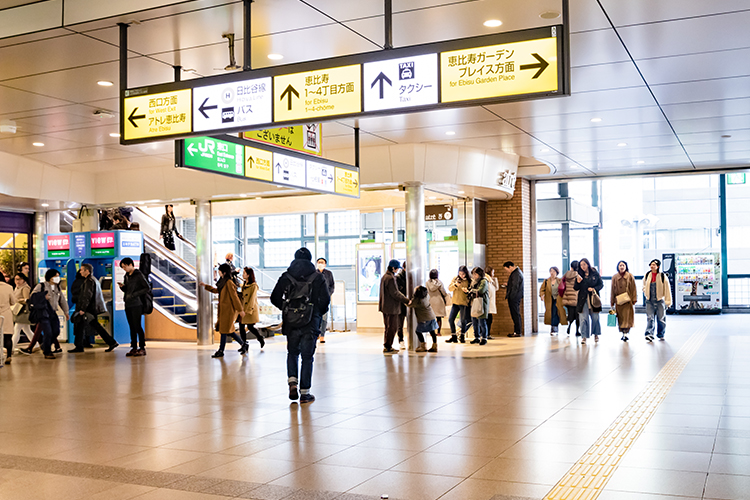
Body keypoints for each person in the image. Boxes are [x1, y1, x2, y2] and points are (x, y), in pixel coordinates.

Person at [271, 247, 330, 403]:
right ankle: (305, 392)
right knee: (307, 357)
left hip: (291, 322)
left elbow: (274, 297)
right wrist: (316, 312)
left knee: (292, 353)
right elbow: (325, 300)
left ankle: (292, 382)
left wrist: (286, 308)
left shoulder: (286, 276)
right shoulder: (317, 277)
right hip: (310, 322)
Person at [70, 263, 118, 353]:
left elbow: (87, 296)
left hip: (89, 309)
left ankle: (111, 342)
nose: (80, 271)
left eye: (82, 269)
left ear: (87, 271)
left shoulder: (89, 281)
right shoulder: (93, 279)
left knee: (93, 326)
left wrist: (82, 309)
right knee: (83, 325)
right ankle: (79, 346)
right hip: (92, 307)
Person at [201, 264, 245, 358]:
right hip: (223, 310)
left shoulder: (229, 282)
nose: (218, 272)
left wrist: (240, 310)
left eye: (219, 271)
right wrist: (206, 286)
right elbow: (217, 291)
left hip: (229, 310)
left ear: (224, 272)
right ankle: (243, 344)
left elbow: (235, 297)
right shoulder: (223, 282)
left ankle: (221, 350)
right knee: (228, 330)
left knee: (224, 330)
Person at [30, 269, 69, 359]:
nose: (57, 278)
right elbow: (33, 296)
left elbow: (62, 300)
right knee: (48, 332)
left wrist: (66, 312)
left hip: (53, 312)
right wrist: (43, 297)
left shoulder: (57, 287)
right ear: (50, 277)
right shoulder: (41, 286)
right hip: (43, 312)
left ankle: (45, 345)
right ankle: (47, 352)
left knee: (56, 331)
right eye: (56, 276)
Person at [118, 257, 150, 357]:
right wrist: (123, 288)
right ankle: (134, 347)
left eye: (125, 266)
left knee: (137, 326)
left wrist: (135, 294)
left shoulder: (138, 275)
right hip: (128, 303)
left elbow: (147, 287)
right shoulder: (126, 276)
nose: (124, 269)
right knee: (131, 326)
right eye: (123, 267)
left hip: (137, 304)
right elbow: (128, 290)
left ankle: (142, 347)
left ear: (130, 264)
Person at [378, 259, 409, 354]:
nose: (397, 270)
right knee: (392, 327)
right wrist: (407, 300)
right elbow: (395, 293)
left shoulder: (384, 276)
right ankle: (388, 346)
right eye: (396, 268)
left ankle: (387, 345)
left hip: (385, 307)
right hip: (391, 307)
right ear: (393, 268)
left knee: (388, 327)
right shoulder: (391, 278)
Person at [574, 258, 603, 345]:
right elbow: (575, 288)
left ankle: (596, 334)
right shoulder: (579, 275)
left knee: (595, 318)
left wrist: (594, 289)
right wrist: (578, 282)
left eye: (584, 264)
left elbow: (601, 284)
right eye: (581, 265)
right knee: (583, 319)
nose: (583, 267)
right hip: (583, 300)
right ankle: (584, 337)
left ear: (588, 264)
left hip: (593, 299)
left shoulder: (594, 273)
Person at [642, 258, 672, 342]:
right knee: (650, 318)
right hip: (649, 300)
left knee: (661, 318)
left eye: (654, 265)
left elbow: (667, 289)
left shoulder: (662, 276)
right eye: (651, 264)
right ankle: (649, 334)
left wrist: (668, 302)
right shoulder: (647, 275)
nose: (652, 266)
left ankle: (661, 334)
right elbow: (644, 284)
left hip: (660, 300)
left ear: (658, 266)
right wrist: (645, 291)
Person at [611, 260, 637, 342]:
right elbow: (612, 290)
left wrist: (634, 299)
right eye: (620, 265)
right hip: (618, 301)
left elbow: (633, 288)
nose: (622, 267)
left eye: (623, 265)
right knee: (620, 317)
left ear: (626, 267)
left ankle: (626, 332)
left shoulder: (630, 276)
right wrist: (612, 300)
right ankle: (623, 332)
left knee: (627, 317)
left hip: (628, 301)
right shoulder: (615, 277)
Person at [239, 267, 265, 350]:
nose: (243, 275)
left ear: (248, 275)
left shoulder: (253, 285)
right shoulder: (244, 284)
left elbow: (252, 299)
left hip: (250, 309)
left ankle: (260, 338)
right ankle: (244, 344)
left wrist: (248, 310)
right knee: (241, 326)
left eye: (244, 273)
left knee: (250, 327)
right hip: (243, 308)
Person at [407, 286, 438, 352]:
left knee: (418, 331)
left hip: (424, 319)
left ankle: (423, 346)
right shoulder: (427, 296)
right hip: (431, 316)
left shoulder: (418, 301)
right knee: (432, 331)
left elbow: (410, 305)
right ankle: (435, 346)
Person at [10, 273, 32, 361]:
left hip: (23, 311)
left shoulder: (25, 288)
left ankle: (11, 347)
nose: (17, 281)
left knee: (17, 329)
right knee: (26, 329)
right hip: (20, 311)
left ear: (24, 279)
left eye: (19, 279)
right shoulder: (17, 288)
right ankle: (37, 344)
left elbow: (27, 299)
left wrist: (18, 300)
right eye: (16, 279)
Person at [540, 266, 568, 335]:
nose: (552, 273)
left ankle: (554, 327)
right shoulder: (546, 281)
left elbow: (564, 289)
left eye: (554, 271)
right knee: (551, 312)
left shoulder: (559, 280)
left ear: (557, 272)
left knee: (556, 312)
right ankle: (554, 327)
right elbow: (542, 289)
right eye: (551, 271)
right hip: (549, 299)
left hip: (558, 299)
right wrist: (542, 295)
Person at [446, 266, 470, 343]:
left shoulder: (469, 281)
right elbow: (449, 288)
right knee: (450, 319)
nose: (461, 275)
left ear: (466, 273)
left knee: (463, 320)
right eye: (460, 273)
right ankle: (453, 336)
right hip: (455, 302)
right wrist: (456, 285)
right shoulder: (455, 279)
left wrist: (467, 291)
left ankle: (462, 335)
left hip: (463, 303)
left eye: (463, 274)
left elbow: (470, 291)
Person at [466, 267, 489, 345]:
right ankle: (476, 337)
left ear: (480, 274)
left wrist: (471, 290)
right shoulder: (473, 282)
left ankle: (484, 338)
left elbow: (481, 291)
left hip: (482, 303)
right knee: (474, 322)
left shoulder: (484, 281)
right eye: (473, 274)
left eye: (475, 274)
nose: (474, 276)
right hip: (474, 303)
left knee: (482, 322)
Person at [503, 261, 524, 337]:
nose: (507, 271)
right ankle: (517, 331)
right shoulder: (517, 272)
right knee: (515, 314)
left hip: (514, 297)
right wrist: (508, 285)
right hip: (515, 296)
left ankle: (517, 332)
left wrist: (511, 296)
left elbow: (515, 286)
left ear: (510, 267)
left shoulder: (516, 273)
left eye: (507, 269)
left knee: (515, 314)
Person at [316, 257, 335, 343]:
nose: (320, 263)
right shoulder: (314, 273)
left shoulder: (328, 273)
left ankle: (322, 335)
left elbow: (332, 285)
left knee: (324, 318)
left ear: (325, 264)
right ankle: (317, 334)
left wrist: (328, 294)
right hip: (315, 299)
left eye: (322, 262)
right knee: (316, 317)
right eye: (319, 262)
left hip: (325, 299)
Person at [426, 269, 448, 336]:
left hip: (431, 300)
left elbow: (427, 291)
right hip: (439, 301)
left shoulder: (427, 282)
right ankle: (438, 332)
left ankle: (432, 332)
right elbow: (443, 292)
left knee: (431, 318)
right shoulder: (439, 282)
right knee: (438, 318)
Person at [0, 272, 16, 365]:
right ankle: (9, 356)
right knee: (7, 336)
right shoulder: (9, 287)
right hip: (6, 313)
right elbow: (13, 302)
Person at [562, 261, 580, 336]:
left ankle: (569, 325)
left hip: (568, 297)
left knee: (570, 314)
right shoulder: (578, 275)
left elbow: (561, 284)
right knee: (578, 315)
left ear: (571, 267)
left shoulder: (566, 275)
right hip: (576, 298)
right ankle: (577, 330)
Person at [396, 261, 407, 349]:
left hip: (410, 303)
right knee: (400, 324)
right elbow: (397, 292)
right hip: (401, 303)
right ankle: (401, 340)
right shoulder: (398, 277)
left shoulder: (412, 276)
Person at [485, 266, 499, 339]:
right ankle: (486, 334)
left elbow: (496, 288)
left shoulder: (491, 280)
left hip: (490, 303)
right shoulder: (486, 280)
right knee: (487, 320)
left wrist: (494, 279)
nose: (493, 274)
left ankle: (487, 334)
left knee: (489, 319)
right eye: (493, 272)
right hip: (487, 303)